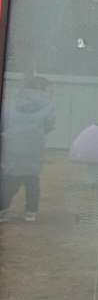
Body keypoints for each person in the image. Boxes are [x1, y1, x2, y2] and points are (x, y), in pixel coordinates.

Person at [0, 75, 55, 221]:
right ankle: (31, 212)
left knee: (10, 177)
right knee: (32, 178)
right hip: (34, 145)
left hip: (11, 143)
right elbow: (49, 125)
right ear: (42, 87)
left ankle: (2, 209)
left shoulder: (11, 101)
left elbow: (4, 121)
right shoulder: (48, 104)